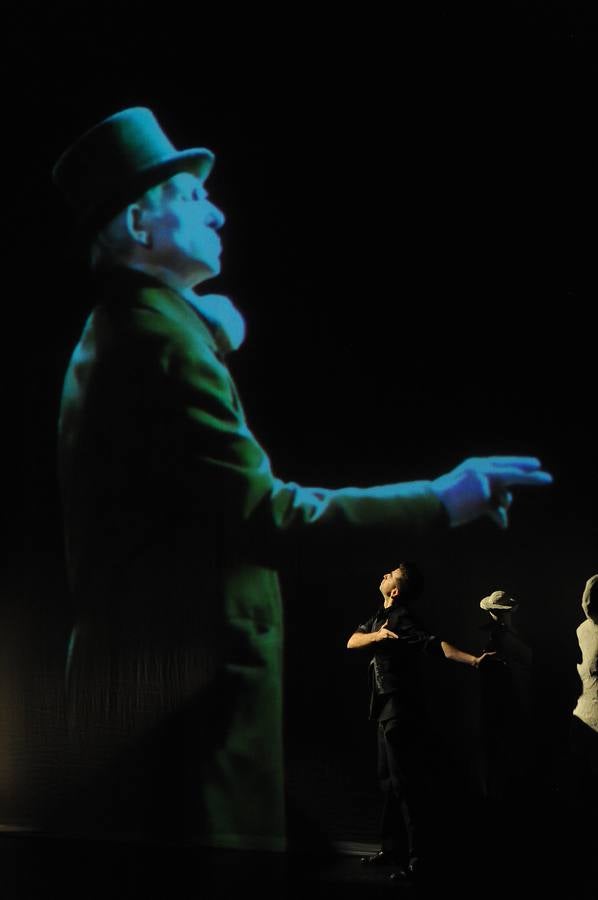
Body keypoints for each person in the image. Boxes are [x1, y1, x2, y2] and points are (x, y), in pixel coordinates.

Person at [51, 106, 553, 854]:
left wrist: (211, 325)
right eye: (193, 198)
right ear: (138, 225)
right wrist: (446, 498)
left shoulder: (147, 332)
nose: (216, 211)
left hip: (159, 704)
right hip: (188, 718)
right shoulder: (160, 346)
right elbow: (270, 517)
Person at [347, 561, 495, 881]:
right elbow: (352, 641)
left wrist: (472, 661)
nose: (384, 574)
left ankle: (417, 858)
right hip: (383, 709)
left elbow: (434, 644)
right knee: (387, 781)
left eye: (391, 575)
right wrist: (378, 637)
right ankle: (391, 849)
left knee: (404, 784)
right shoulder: (380, 619)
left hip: (400, 708)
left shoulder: (402, 618)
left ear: (396, 591)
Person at [478, 589, 533, 806]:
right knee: (501, 745)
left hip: (506, 695)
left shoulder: (505, 634)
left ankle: (502, 795)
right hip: (502, 696)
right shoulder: (499, 635)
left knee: (501, 746)